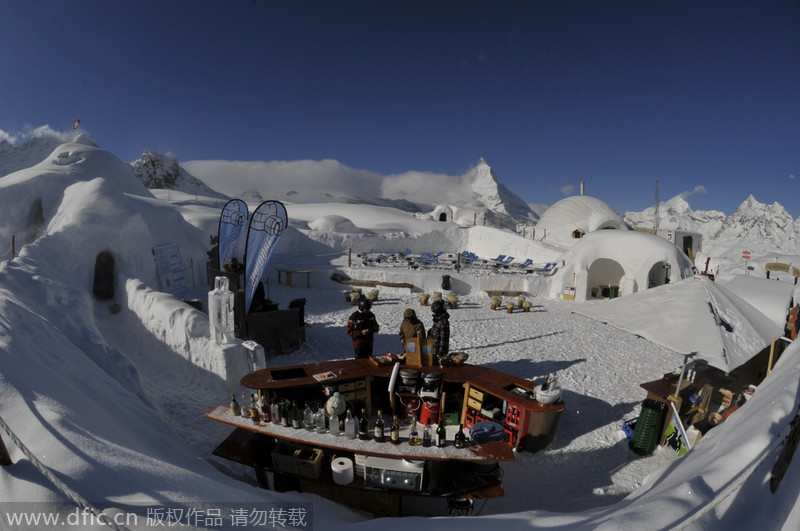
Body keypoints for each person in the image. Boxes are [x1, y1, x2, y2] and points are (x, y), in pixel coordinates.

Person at [429, 299, 450, 364]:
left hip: (439, 354)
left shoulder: (443, 322)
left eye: (434, 312)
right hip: (434, 350)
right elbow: (436, 333)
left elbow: (443, 340)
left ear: (438, 311)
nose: (433, 313)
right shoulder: (438, 320)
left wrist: (440, 354)